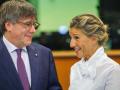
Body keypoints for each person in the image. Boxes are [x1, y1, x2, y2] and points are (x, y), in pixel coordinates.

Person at [0, 0, 62, 90]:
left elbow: (53, 87)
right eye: (28, 24)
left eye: (34, 24)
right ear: (9, 25)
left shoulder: (44, 54)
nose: (33, 30)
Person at [68, 14, 120, 90]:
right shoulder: (75, 68)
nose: (71, 44)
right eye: (71, 38)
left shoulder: (112, 70)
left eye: (76, 37)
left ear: (94, 38)